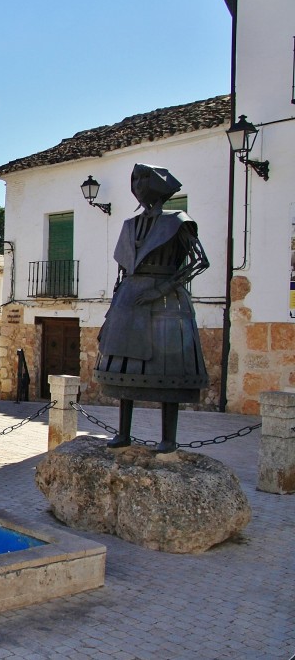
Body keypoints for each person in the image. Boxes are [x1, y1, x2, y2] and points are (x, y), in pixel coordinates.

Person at [94, 164, 209, 453]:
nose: (138, 184)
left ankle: (168, 439)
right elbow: (122, 270)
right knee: (124, 369)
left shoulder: (178, 221)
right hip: (129, 301)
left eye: (144, 178)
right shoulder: (129, 225)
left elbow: (199, 261)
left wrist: (161, 289)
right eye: (135, 178)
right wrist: (115, 305)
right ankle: (123, 433)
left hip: (166, 303)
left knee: (168, 374)